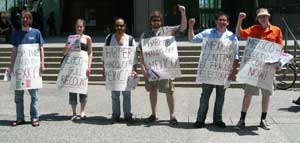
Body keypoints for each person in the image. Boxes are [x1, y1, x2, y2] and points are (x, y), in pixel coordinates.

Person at [188, 13, 239, 128]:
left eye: (224, 20)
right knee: (205, 97)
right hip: (209, 72)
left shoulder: (232, 37)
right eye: (220, 20)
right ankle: (200, 120)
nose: (222, 22)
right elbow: (192, 39)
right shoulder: (208, 33)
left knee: (220, 97)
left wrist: (232, 74)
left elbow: (236, 57)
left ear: (228, 22)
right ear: (216, 22)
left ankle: (218, 119)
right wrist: (191, 26)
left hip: (223, 73)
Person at [235, 8, 283, 130]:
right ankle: (242, 120)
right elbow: (239, 34)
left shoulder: (276, 30)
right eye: (261, 17)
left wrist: (279, 63)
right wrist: (240, 20)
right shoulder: (254, 29)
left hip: (269, 68)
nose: (263, 18)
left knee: (266, 95)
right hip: (254, 68)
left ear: (269, 17)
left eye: (265, 16)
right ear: (258, 19)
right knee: (248, 94)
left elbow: (280, 48)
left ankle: (263, 119)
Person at [139, 5, 187, 125]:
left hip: (166, 68)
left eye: (158, 20)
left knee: (169, 91)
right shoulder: (145, 34)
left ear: (161, 21)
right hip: (151, 68)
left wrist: (183, 13)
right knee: (152, 91)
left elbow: (183, 27)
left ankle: (172, 115)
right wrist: (142, 67)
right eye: (154, 20)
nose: (157, 22)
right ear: (151, 22)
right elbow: (141, 52)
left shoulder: (168, 30)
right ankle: (153, 114)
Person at [8, 11, 45, 127]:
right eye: (23, 18)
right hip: (20, 71)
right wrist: (11, 66)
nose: (24, 20)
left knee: (34, 95)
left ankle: (35, 117)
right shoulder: (16, 34)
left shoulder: (36, 33)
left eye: (27, 18)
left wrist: (42, 63)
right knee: (18, 96)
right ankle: (20, 118)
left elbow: (41, 48)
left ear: (30, 20)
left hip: (32, 72)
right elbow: (14, 51)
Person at [103, 18, 137, 123]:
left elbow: (134, 57)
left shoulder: (130, 39)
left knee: (127, 94)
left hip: (126, 71)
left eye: (121, 26)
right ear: (114, 27)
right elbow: (105, 56)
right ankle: (116, 115)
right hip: (113, 72)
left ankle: (127, 115)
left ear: (125, 27)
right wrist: (103, 68)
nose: (119, 28)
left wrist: (134, 70)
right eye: (117, 26)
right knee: (114, 95)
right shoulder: (109, 39)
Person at [64, 19, 93, 121]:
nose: (79, 28)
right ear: (75, 27)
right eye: (77, 26)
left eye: (81, 26)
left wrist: (89, 66)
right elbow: (65, 53)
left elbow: (90, 53)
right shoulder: (71, 38)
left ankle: (82, 111)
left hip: (83, 67)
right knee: (72, 90)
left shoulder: (87, 38)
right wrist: (67, 48)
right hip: (73, 68)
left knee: (83, 90)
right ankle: (73, 112)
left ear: (84, 27)